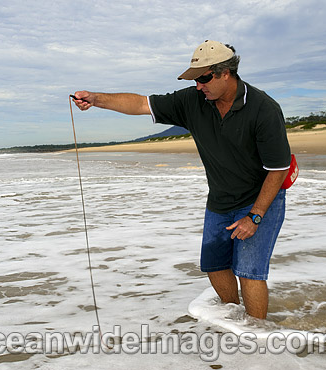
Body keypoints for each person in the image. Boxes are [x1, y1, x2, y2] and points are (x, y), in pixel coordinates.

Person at [72, 40, 291, 319]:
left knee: (249, 272)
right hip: (220, 200)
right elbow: (141, 103)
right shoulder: (192, 101)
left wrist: (255, 216)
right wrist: (96, 98)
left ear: (226, 73)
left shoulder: (263, 109)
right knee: (214, 266)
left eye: (204, 78)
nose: (199, 86)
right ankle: (234, 321)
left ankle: (259, 338)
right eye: (195, 79)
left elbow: (279, 169)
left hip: (260, 200)